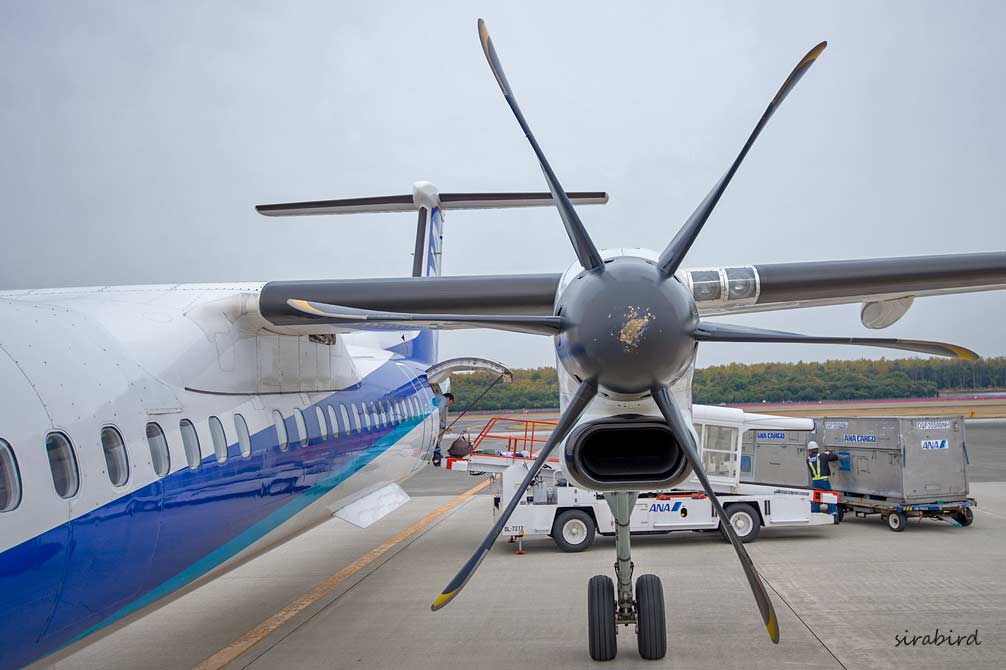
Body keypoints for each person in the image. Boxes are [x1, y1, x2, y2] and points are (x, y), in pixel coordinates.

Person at [807, 441, 840, 523]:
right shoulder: (822, 456)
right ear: (817, 449)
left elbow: (817, 459)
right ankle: (833, 515)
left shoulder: (808, 459)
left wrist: (825, 454)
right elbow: (835, 457)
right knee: (830, 497)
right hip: (824, 480)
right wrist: (829, 453)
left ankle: (814, 515)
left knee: (816, 499)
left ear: (809, 450)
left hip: (815, 482)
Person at [431, 390, 455, 466]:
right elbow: (437, 413)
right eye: (450, 403)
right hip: (431, 419)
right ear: (448, 399)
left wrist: (443, 426)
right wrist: (443, 425)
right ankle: (437, 456)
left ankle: (437, 455)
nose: (447, 405)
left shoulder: (436, 396)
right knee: (435, 437)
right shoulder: (443, 399)